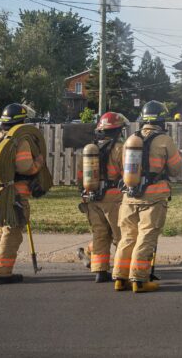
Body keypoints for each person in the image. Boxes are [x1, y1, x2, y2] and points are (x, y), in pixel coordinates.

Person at [112, 100, 182, 293]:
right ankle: (140, 280)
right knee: (146, 237)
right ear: (161, 119)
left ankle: (120, 278)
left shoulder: (131, 140)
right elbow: (176, 169)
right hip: (153, 198)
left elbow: (122, 169)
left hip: (129, 196)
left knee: (127, 237)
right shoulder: (165, 140)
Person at [0, 103, 49, 284]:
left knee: (0, 231)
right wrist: (39, 163)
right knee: (12, 233)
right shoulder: (20, 140)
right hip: (15, 195)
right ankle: (2, 273)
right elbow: (24, 167)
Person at [76, 112, 126, 283]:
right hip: (114, 199)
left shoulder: (90, 149)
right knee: (121, 236)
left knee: (100, 234)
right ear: (118, 130)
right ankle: (122, 271)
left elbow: (81, 176)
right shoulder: (121, 148)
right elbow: (127, 176)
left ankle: (100, 272)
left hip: (92, 198)